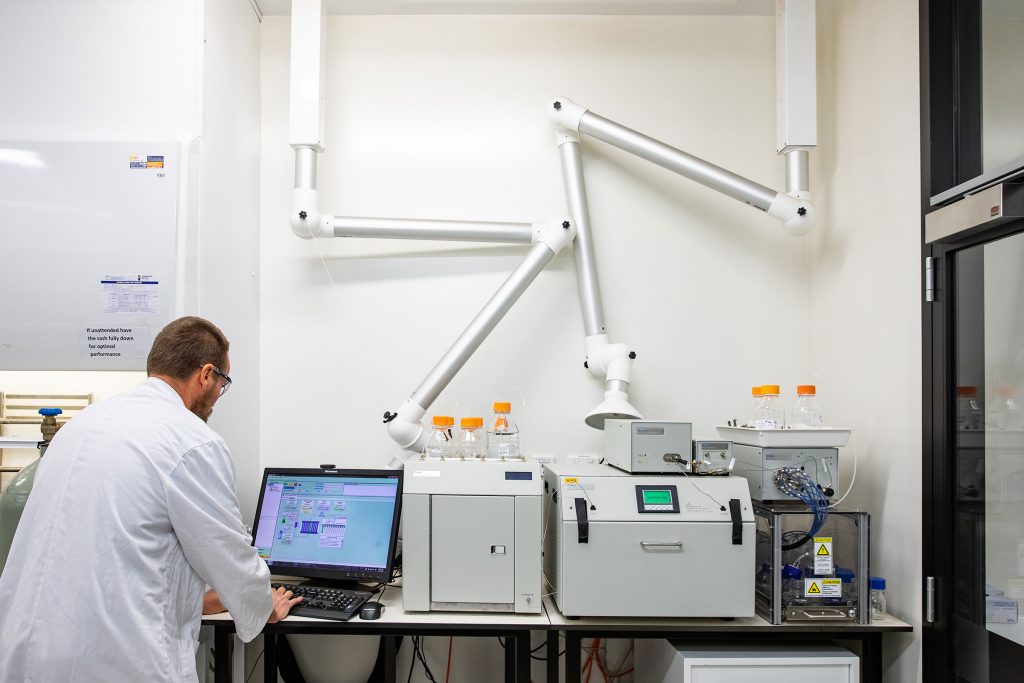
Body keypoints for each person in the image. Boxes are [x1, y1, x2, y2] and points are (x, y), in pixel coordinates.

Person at [0, 316, 301, 682]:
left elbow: (110, 556)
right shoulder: (190, 439)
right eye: (223, 383)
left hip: (27, 654)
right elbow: (228, 552)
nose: (217, 398)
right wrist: (262, 605)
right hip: (118, 662)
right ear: (207, 375)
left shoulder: (80, 426)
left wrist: (200, 601)